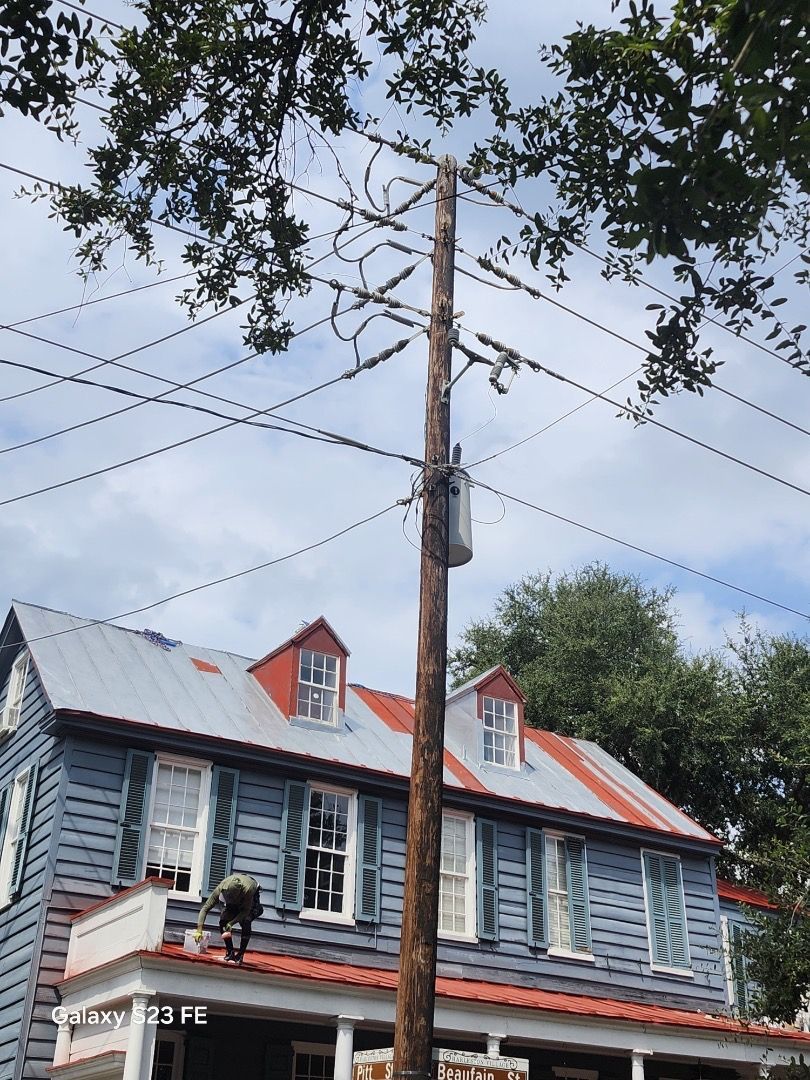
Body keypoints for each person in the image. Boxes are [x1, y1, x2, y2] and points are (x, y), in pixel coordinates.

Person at [193, 872, 263, 964]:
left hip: (251, 895)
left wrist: (232, 923)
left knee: (246, 920)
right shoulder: (221, 889)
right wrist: (199, 929)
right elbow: (205, 908)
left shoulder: (248, 890)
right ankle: (230, 952)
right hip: (237, 897)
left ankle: (240, 955)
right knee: (223, 922)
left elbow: (245, 911)